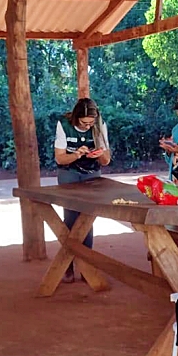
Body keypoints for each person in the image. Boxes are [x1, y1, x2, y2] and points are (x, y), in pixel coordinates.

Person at [54, 98, 111, 283]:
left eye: (90, 122)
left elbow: (106, 160)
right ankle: (67, 266)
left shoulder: (99, 125)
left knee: (88, 218)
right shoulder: (63, 125)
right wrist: (77, 154)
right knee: (70, 218)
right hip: (69, 173)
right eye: (83, 122)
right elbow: (60, 159)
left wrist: (100, 153)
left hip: (91, 174)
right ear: (76, 118)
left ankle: (87, 266)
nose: (88, 125)